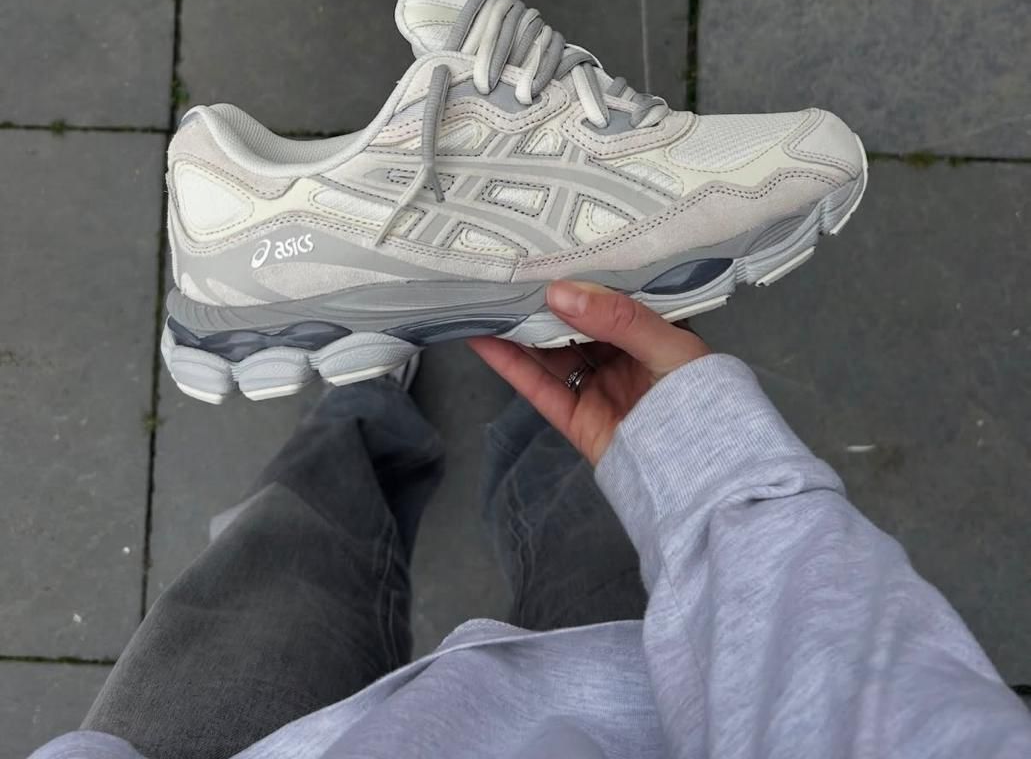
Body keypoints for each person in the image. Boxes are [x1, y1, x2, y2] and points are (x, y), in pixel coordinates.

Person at [36, 283, 1030, 759]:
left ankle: (362, 387)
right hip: (638, 721)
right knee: (591, 478)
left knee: (282, 540)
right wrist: (704, 456)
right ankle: (534, 330)